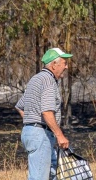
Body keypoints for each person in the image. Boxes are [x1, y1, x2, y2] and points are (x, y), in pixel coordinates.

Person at [16, 47, 73, 180]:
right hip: (40, 135)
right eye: (64, 63)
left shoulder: (36, 79)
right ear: (54, 65)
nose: (66, 66)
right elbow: (47, 112)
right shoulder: (48, 80)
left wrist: (31, 123)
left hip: (32, 133)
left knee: (50, 173)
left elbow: (20, 106)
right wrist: (60, 135)